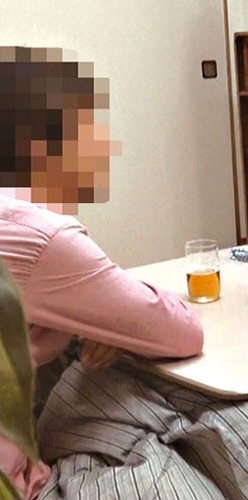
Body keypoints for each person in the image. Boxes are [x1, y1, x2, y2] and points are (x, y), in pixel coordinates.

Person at [0, 46, 203, 499]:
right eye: (90, 130)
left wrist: (98, 319)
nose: (106, 147)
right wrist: (116, 317)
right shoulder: (45, 237)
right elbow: (182, 332)